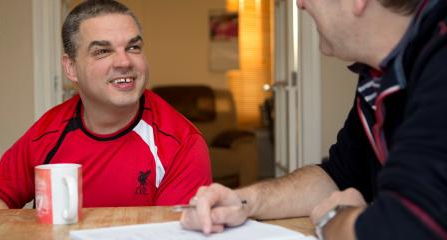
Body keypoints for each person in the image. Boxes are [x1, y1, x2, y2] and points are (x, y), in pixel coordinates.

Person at [180, 0, 447, 239]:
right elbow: (336, 176)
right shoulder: (377, 75)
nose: (300, 5)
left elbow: (412, 225)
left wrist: (334, 219)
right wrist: (243, 201)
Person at [0, 0, 212, 209]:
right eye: (103, 51)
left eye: (133, 47)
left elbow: (173, 233)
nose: (124, 62)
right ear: (71, 67)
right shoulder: (47, 133)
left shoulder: (182, 144)